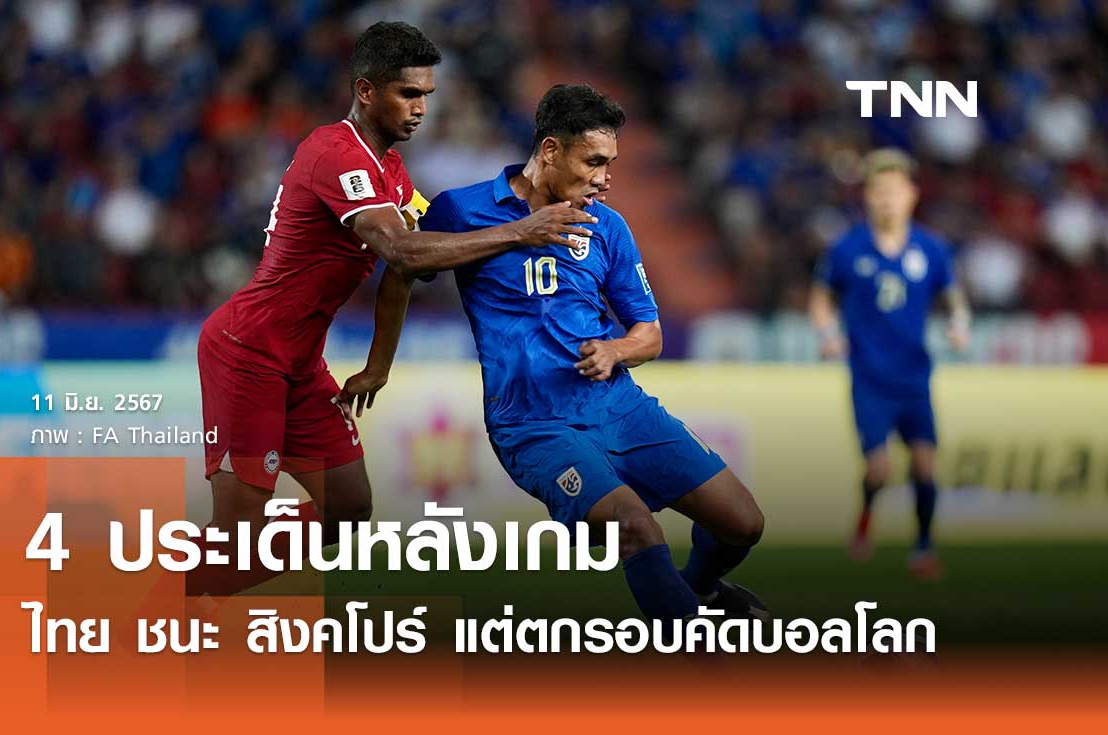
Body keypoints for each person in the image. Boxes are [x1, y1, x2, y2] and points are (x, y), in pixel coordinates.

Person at [191, 22, 595, 596]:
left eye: (426, 94)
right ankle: (162, 602)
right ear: (366, 90)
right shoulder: (334, 153)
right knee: (237, 540)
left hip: (300, 363)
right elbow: (402, 249)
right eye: (408, 93)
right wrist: (520, 232)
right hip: (248, 352)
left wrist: (378, 365)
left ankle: (193, 584)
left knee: (348, 507)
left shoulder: (394, 175)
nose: (421, 108)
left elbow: (419, 256)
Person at [420, 84, 767, 623]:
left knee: (743, 522)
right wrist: (378, 363)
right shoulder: (461, 209)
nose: (605, 179)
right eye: (594, 162)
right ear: (551, 150)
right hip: (533, 423)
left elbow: (649, 334)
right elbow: (406, 262)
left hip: (618, 406)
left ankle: (696, 591)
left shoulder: (607, 226)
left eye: (611, 164)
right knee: (635, 526)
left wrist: (615, 350)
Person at [809, 148, 971, 580]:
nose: (887, 200)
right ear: (867, 196)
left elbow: (953, 295)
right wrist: (828, 334)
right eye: (879, 191)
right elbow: (821, 298)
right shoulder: (847, 249)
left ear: (911, 195)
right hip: (870, 378)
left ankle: (923, 547)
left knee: (924, 464)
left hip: (914, 376)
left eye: (895, 191)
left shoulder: (931, 248)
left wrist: (958, 324)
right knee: (879, 469)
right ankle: (866, 517)